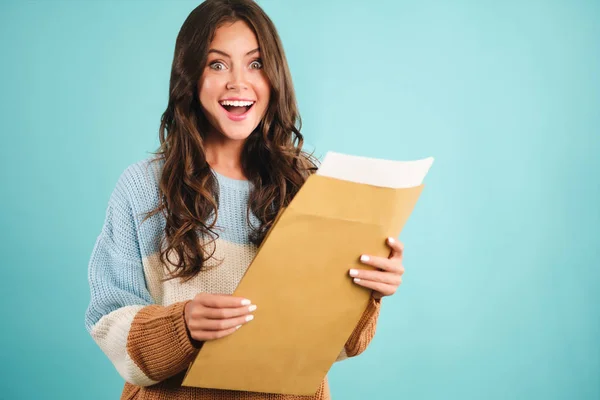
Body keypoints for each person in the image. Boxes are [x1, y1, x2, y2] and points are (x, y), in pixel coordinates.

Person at [84, 0, 406, 399]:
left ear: (275, 77)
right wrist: (179, 326)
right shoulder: (143, 187)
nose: (238, 82)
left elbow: (336, 347)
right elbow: (109, 321)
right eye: (217, 65)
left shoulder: (309, 183)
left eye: (255, 64)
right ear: (190, 76)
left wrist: (366, 291)